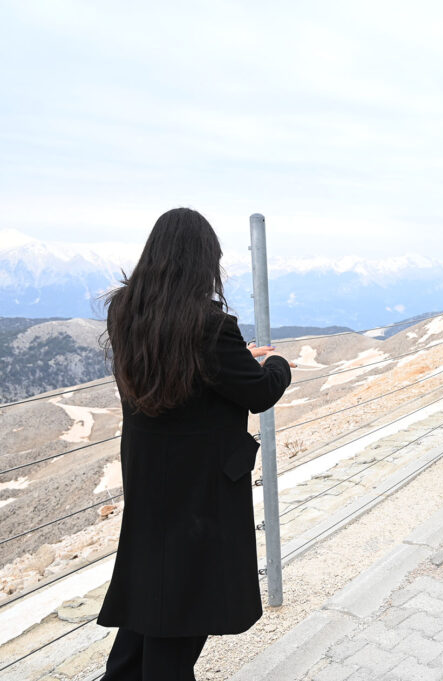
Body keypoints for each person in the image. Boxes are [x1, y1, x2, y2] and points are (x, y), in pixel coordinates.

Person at [97, 208, 294, 680]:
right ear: (202, 262)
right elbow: (258, 392)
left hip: (148, 478)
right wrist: (277, 365)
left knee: (151, 593)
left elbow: (177, 378)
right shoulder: (209, 325)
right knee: (184, 611)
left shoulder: (125, 311)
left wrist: (235, 360)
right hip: (200, 491)